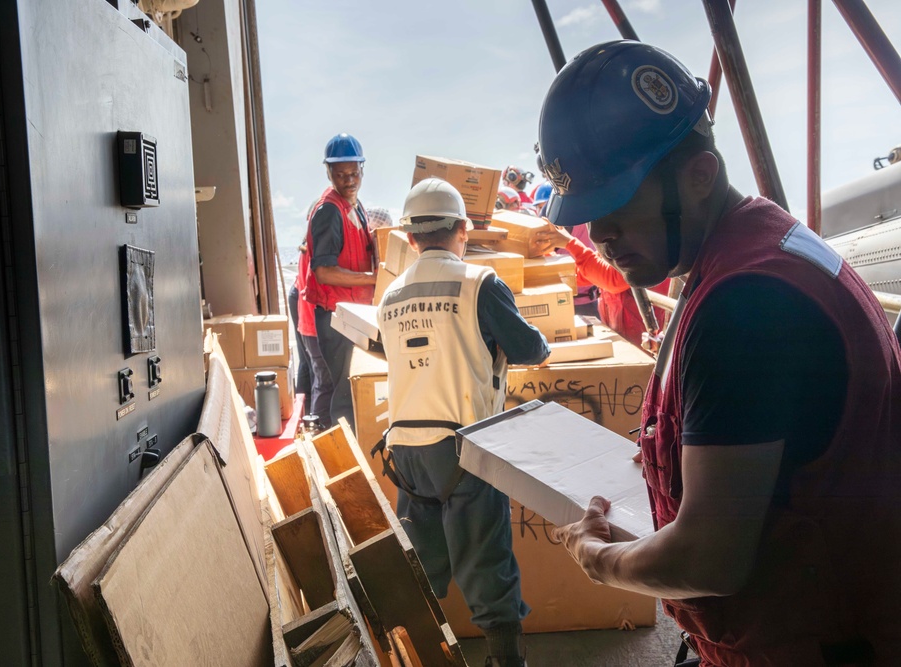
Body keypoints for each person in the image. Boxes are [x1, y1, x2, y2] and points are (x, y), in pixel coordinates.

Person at [537, 40, 901, 665]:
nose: (600, 234)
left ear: (699, 175)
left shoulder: (745, 306)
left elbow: (710, 557)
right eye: (589, 213)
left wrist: (602, 560)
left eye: (617, 204)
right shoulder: (757, 248)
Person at [375, 178, 550, 667]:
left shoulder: (389, 296)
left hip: (406, 453)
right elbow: (530, 348)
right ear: (463, 230)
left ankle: (406, 656)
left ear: (410, 238)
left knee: (421, 567)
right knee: (487, 567)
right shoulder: (479, 283)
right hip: (464, 447)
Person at [303, 133, 377, 431]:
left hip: (354, 314)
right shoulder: (329, 211)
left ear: (362, 169)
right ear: (329, 172)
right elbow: (324, 272)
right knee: (344, 392)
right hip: (336, 318)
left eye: (354, 173)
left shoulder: (355, 206)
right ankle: (343, 456)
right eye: (341, 174)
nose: (349, 180)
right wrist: (373, 279)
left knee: (353, 386)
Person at [534, 220, 669, 347]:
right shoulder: (615, 237)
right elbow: (586, 275)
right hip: (623, 332)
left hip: (645, 337)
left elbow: (613, 279)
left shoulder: (641, 235)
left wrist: (570, 243)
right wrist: (546, 263)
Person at [291, 233, 333, 427]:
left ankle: (310, 423)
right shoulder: (319, 251)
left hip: (309, 320)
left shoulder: (311, 246)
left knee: (316, 374)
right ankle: (320, 435)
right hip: (314, 322)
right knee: (325, 382)